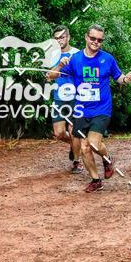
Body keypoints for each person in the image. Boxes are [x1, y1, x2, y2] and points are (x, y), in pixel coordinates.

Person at [47, 25, 131, 192]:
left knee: (93, 143)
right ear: (86, 37)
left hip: (101, 109)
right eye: (93, 38)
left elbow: (119, 78)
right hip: (81, 110)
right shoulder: (75, 59)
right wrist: (59, 66)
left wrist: (127, 79)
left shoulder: (108, 59)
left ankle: (108, 159)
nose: (96, 42)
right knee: (84, 147)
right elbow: (50, 76)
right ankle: (96, 180)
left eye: (100, 40)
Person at [51, 26, 82, 173]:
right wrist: (60, 65)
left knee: (73, 129)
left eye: (62, 37)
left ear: (68, 37)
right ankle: (74, 144)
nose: (59, 41)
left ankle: (76, 161)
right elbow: (49, 76)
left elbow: (84, 75)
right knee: (59, 133)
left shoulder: (77, 54)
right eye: (56, 38)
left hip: (76, 97)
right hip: (59, 97)